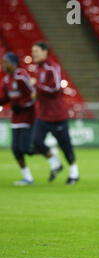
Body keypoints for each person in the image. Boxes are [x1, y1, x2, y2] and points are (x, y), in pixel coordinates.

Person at [30, 41, 79, 185]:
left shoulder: (53, 67)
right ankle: (55, 163)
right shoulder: (37, 69)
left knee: (65, 144)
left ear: (45, 52)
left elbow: (55, 88)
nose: (34, 54)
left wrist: (37, 86)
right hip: (43, 114)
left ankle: (74, 173)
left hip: (57, 114)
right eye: (33, 51)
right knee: (36, 142)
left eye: (36, 51)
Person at [0, 52, 35, 185]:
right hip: (16, 118)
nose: (4, 65)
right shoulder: (6, 79)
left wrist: (21, 105)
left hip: (27, 116)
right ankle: (28, 177)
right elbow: (5, 98)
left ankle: (48, 152)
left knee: (25, 148)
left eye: (6, 62)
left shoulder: (21, 76)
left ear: (13, 63)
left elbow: (32, 95)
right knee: (15, 149)